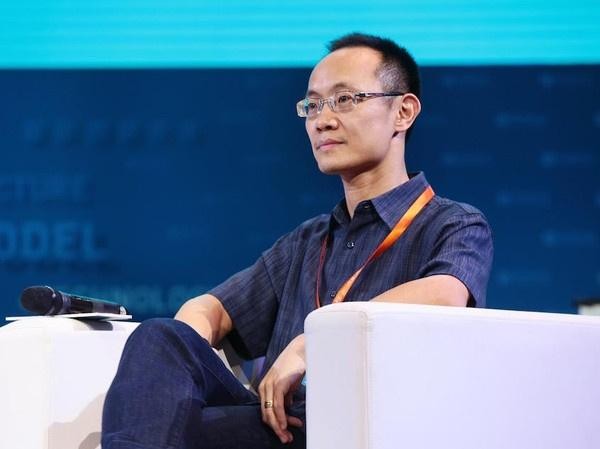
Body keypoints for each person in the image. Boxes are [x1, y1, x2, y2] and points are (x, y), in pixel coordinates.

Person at [102, 32, 493, 449]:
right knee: (161, 342)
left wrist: (314, 344)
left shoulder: (453, 223)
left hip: (366, 430)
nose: (323, 120)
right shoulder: (306, 242)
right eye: (313, 105)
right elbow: (209, 309)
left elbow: (445, 295)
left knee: (180, 429)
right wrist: (175, 372)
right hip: (276, 425)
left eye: (345, 99)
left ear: (403, 111)